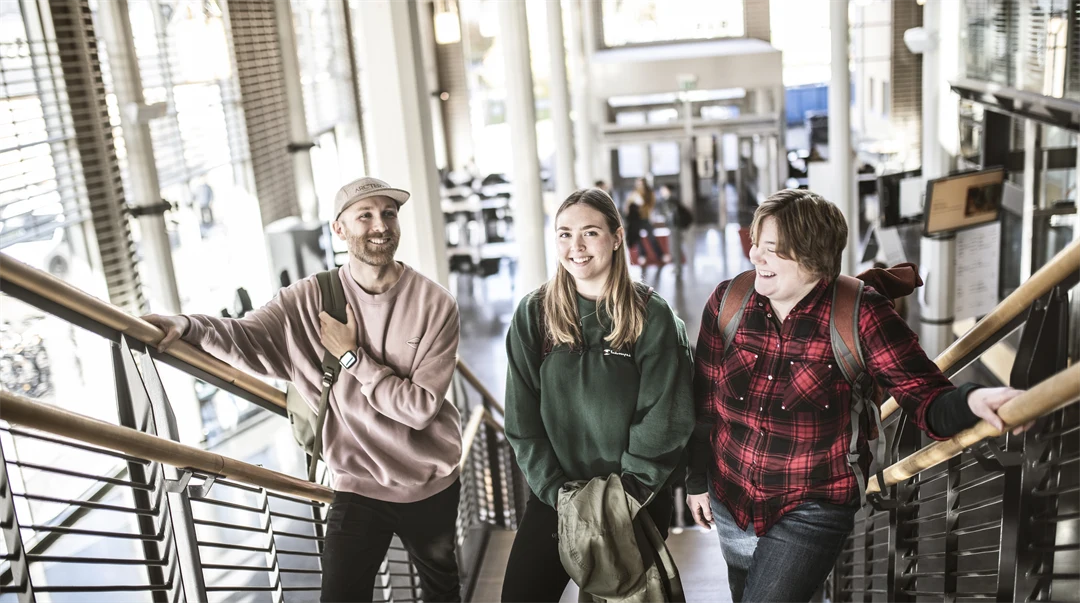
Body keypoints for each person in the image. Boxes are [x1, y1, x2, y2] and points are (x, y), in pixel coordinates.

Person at [685, 189, 1031, 603]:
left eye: (771, 248)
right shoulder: (729, 301)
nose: (754, 255)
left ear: (812, 256)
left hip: (812, 504)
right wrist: (696, 481)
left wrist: (973, 401)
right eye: (757, 243)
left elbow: (924, 394)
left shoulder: (860, 313)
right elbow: (704, 403)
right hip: (732, 496)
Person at [143, 176, 464, 603]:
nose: (380, 225)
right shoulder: (308, 300)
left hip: (429, 481)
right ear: (339, 229)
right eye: (364, 216)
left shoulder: (435, 304)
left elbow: (420, 409)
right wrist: (188, 325)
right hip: (357, 484)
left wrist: (351, 357)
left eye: (388, 214)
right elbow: (246, 336)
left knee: (442, 591)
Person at [501, 188, 695, 602]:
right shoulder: (534, 314)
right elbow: (521, 418)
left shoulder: (652, 315)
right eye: (565, 234)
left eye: (590, 232)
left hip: (633, 500)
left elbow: (666, 414)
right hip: (555, 498)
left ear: (617, 237)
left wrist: (628, 494)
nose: (576, 246)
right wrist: (556, 493)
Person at [624, 177, 669, 267]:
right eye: (638, 183)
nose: (640, 185)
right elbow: (628, 205)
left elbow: (651, 204)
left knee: (652, 237)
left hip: (645, 218)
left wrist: (642, 206)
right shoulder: (634, 193)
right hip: (636, 219)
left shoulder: (649, 193)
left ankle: (660, 255)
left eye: (641, 183)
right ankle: (642, 255)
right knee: (638, 239)